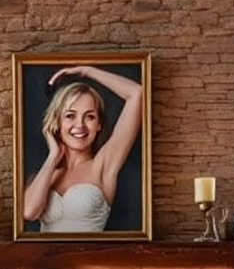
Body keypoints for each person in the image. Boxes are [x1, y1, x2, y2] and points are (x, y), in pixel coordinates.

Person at [22, 62, 144, 233]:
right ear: (57, 122)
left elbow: (136, 93)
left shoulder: (103, 165)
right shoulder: (43, 174)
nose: (79, 125)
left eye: (90, 117)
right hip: (46, 259)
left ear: (99, 124)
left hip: (90, 259)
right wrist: (52, 157)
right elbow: (29, 212)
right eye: (70, 116)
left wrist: (86, 70)